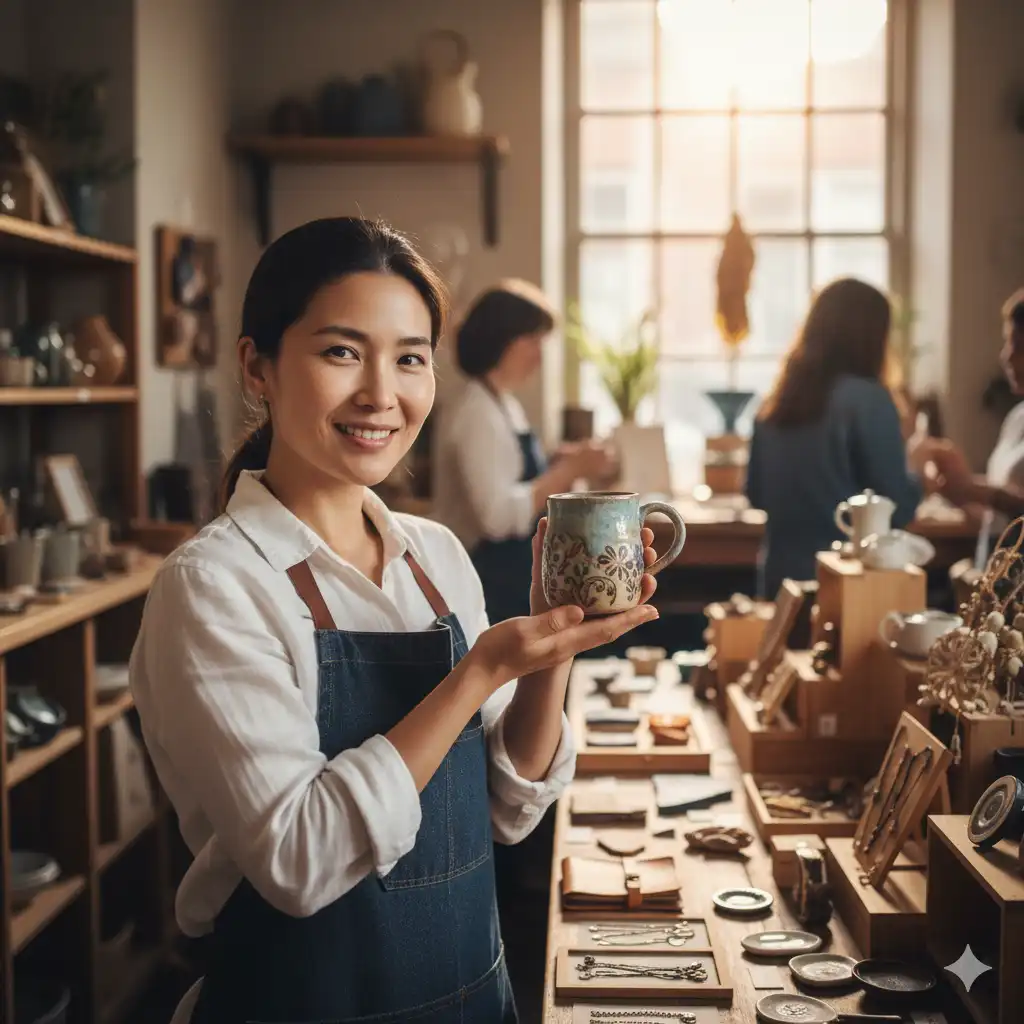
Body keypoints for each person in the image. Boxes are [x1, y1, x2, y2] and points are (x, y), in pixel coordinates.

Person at [129, 217, 659, 1024]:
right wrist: (479, 670)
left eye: (410, 358)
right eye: (342, 351)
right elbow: (300, 860)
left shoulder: (436, 557)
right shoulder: (213, 586)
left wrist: (557, 642)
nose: (383, 393)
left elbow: (506, 810)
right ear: (257, 366)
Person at [432, 279, 617, 623]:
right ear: (501, 340)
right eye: (532, 340)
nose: (539, 354)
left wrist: (557, 464)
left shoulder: (502, 403)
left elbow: (514, 480)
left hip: (509, 577)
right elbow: (497, 518)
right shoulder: (477, 412)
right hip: (485, 580)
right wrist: (567, 472)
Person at [745, 277, 933, 596]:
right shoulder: (869, 400)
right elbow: (897, 508)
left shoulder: (776, 402)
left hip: (781, 583)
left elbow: (756, 494)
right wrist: (918, 468)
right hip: (846, 584)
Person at [926, 288, 1024, 558]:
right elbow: (1000, 515)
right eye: (1007, 343)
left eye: (1017, 345)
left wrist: (976, 490)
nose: (1005, 356)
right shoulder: (1017, 418)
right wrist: (959, 490)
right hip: (998, 574)